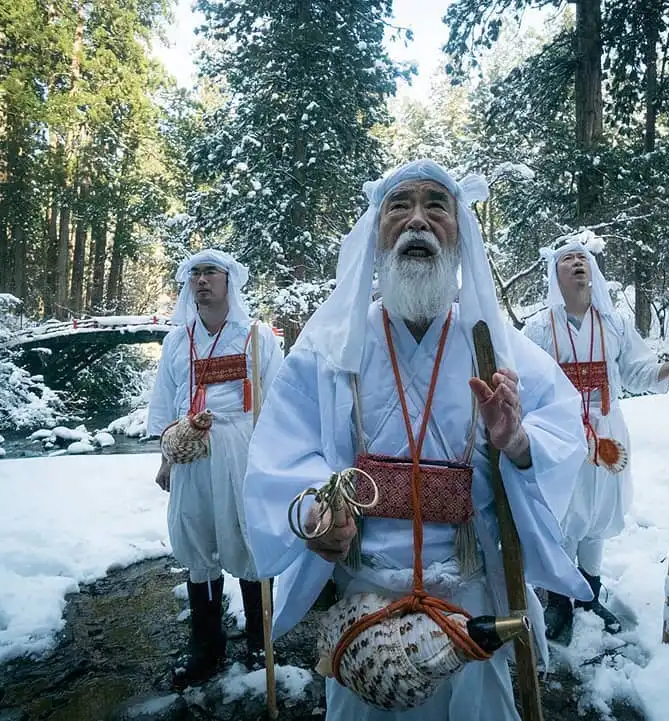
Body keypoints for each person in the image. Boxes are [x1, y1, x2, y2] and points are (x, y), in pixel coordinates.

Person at [241, 159, 592, 720]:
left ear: (461, 233)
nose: (417, 221)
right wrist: (316, 512)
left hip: (470, 608)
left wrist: (519, 442)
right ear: (377, 234)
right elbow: (284, 452)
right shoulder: (331, 348)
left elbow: (564, 431)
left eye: (436, 206)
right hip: (364, 608)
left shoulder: (497, 347)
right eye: (399, 207)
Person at [522, 239, 669, 643]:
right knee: (563, 514)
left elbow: (638, 373)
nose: (577, 263)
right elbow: (527, 383)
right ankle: (561, 600)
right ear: (555, 274)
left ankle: (590, 594)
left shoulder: (614, 323)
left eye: (583, 257)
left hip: (607, 433)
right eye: (567, 258)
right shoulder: (538, 328)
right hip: (561, 433)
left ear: (593, 272)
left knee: (599, 511)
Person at [146, 249, 284, 688]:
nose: (201, 280)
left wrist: (273, 462)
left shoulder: (258, 337)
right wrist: (167, 457)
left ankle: (261, 639)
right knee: (197, 534)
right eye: (194, 274)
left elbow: (279, 405)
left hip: (243, 449)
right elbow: (167, 403)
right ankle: (207, 644)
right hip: (191, 450)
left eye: (210, 272)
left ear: (230, 282)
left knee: (245, 534)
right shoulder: (176, 341)